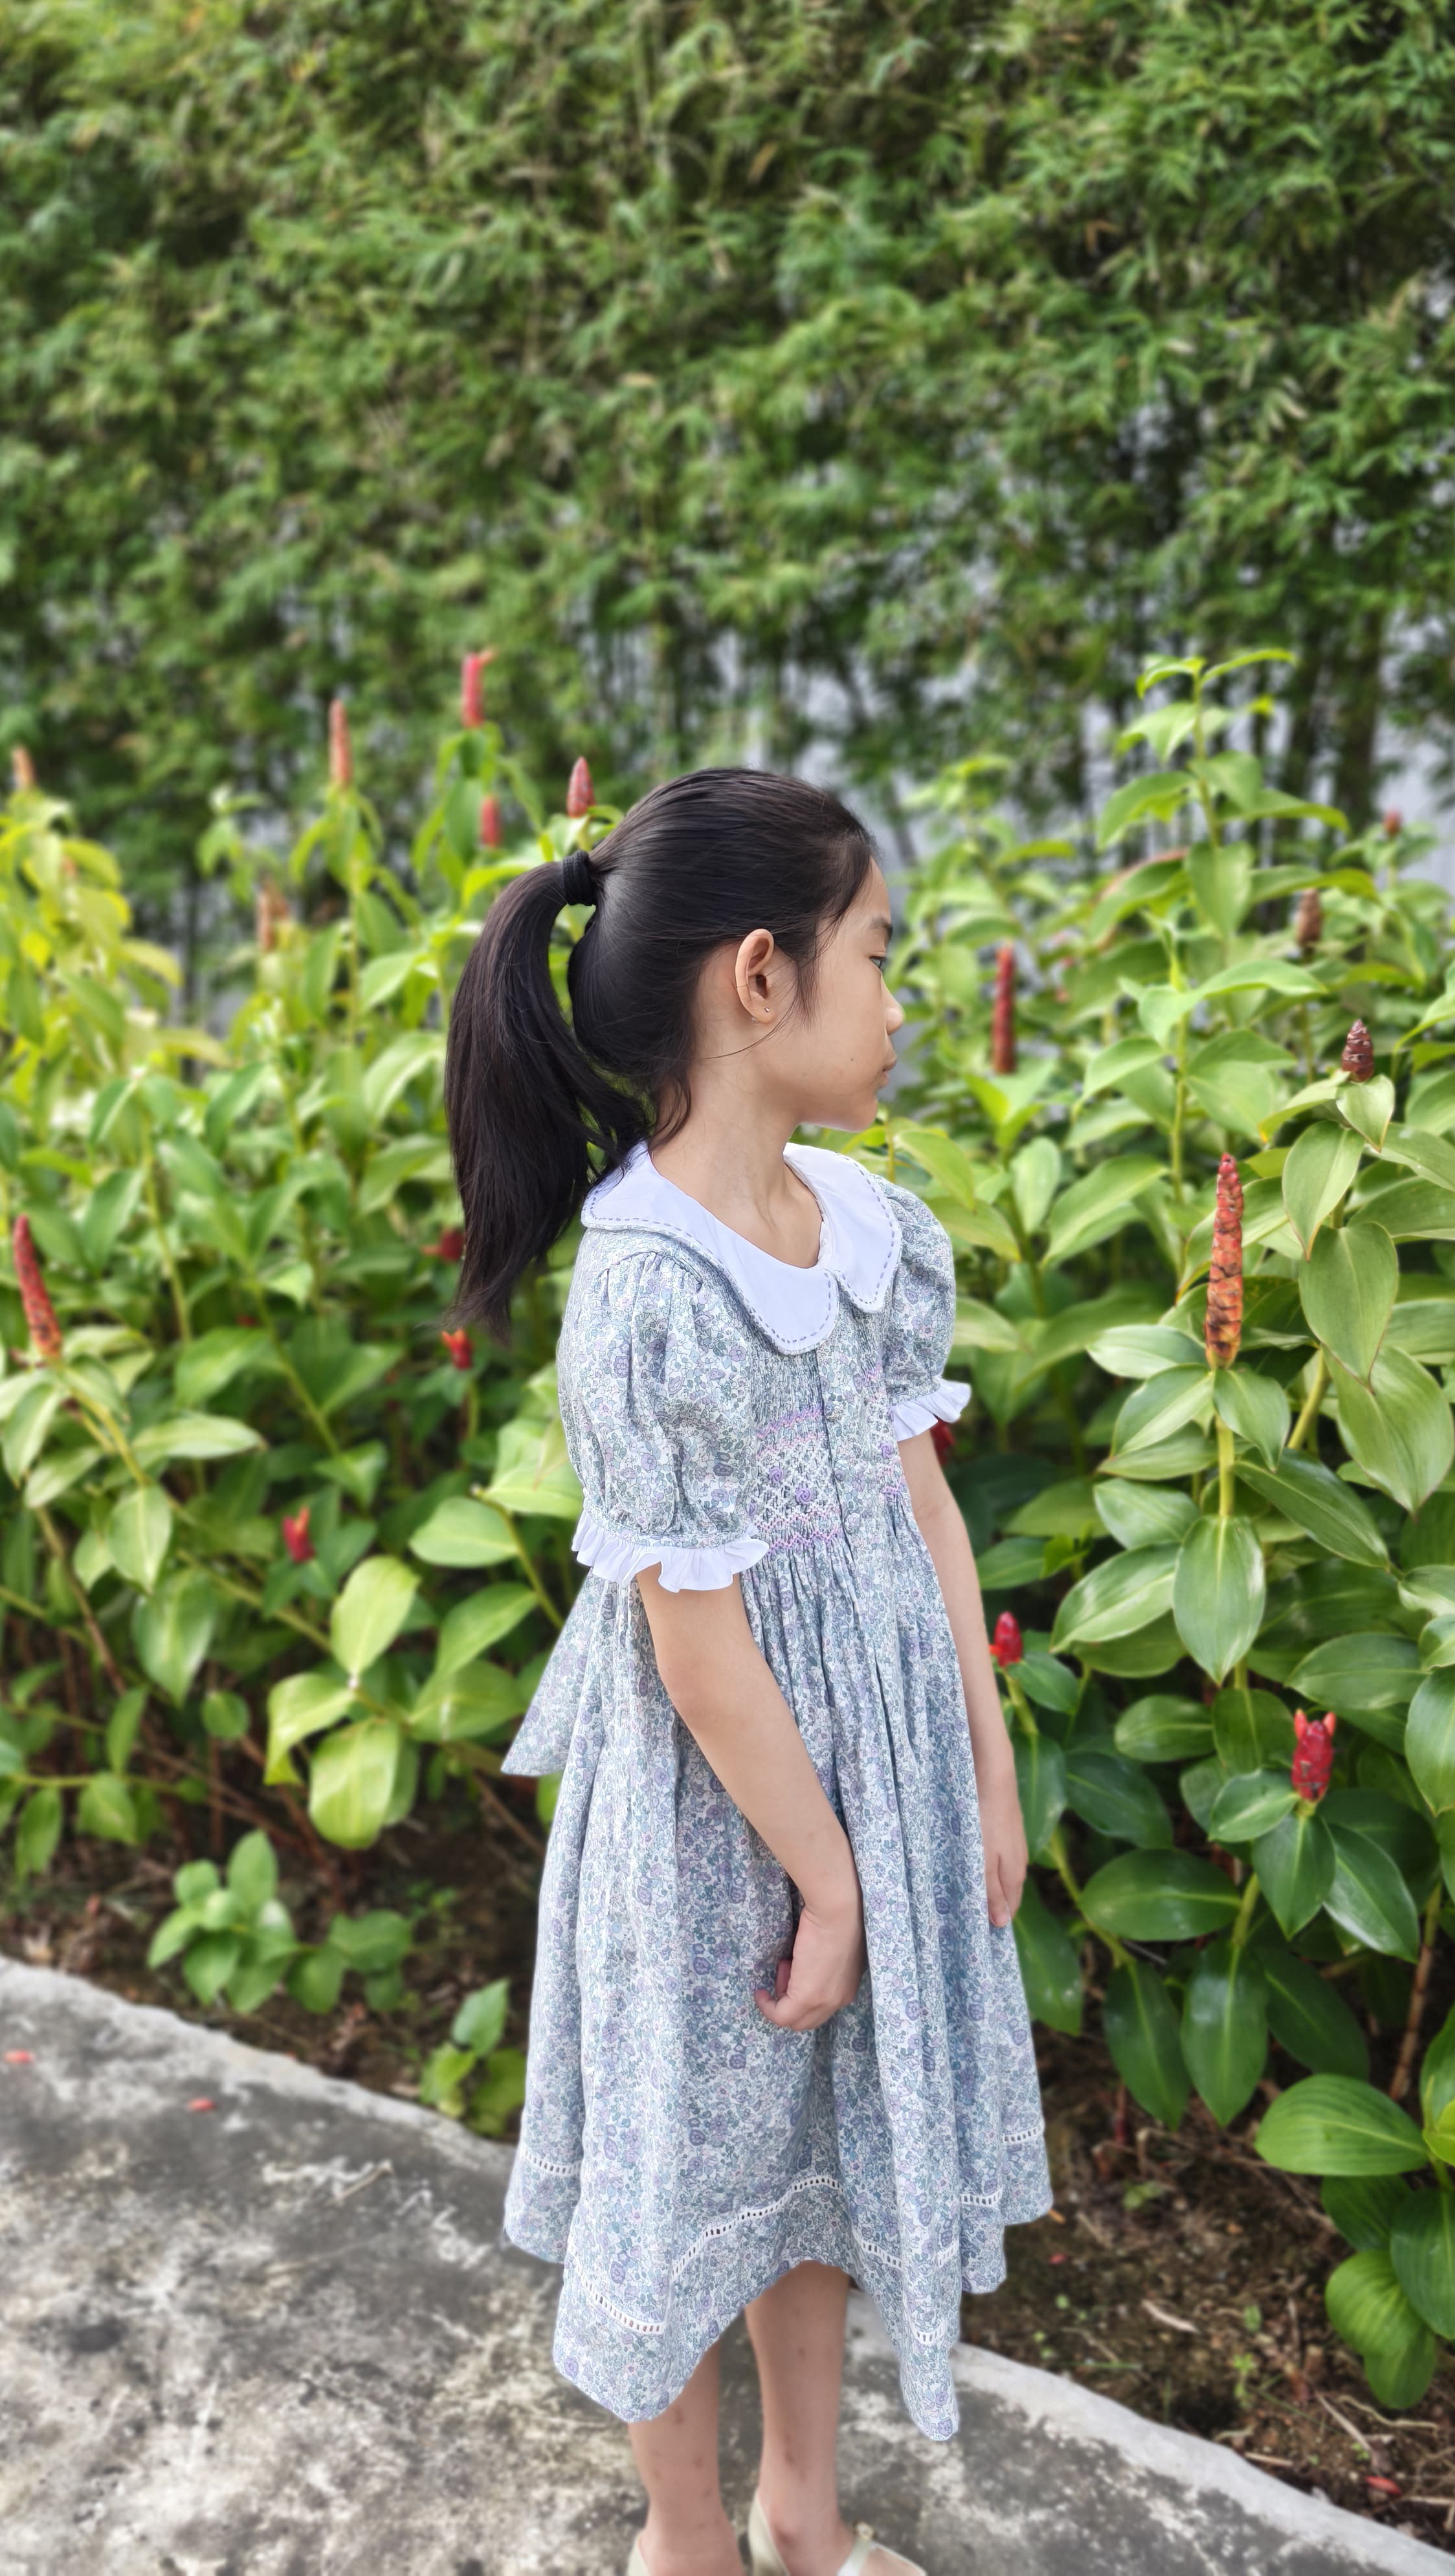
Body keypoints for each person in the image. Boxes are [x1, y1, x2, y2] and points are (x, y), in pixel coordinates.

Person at [444, 769, 1050, 2576]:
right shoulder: (647, 1289)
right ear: (762, 979)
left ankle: (804, 2510)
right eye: (881, 953)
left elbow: (922, 1506)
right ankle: (688, 2539)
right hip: (724, 1825)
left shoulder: (862, 1226)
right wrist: (827, 1882)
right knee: (689, 2174)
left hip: (875, 1782)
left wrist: (984, 1762)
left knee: (818, 2165)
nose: (902, 998)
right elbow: (695, 1645)